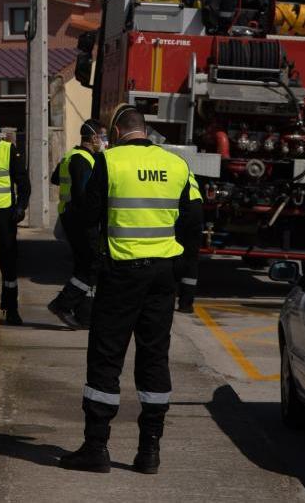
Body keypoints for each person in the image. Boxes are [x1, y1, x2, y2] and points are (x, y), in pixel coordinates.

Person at [59, 106, 203, 475]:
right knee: (154, 358)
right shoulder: (177, 165)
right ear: (147, 131)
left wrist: (94, 261)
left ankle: (96, 447)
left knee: (107, 357)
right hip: (162, 277)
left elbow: (87, 217)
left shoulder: (110, 162)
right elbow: (193, 222)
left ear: (120, 130)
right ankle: (149, 451)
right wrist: (185, 282)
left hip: (121, 273)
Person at [47, 119, 107, 329]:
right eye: (103, 136)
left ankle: (83, 315)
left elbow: (55, 179)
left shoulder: (70, 156)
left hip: (69, 216)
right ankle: (63, 304)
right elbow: (83, 195)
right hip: (80, 219)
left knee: (84, 265)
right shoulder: (83, 160)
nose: (104, 141)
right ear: (93, 137)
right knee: (92, 265)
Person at [0, 129, 31, 326]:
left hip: (5, 214)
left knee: (8, 262)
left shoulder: (7, 149)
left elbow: (24, 183)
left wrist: (20, 207)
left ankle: (11, 308)